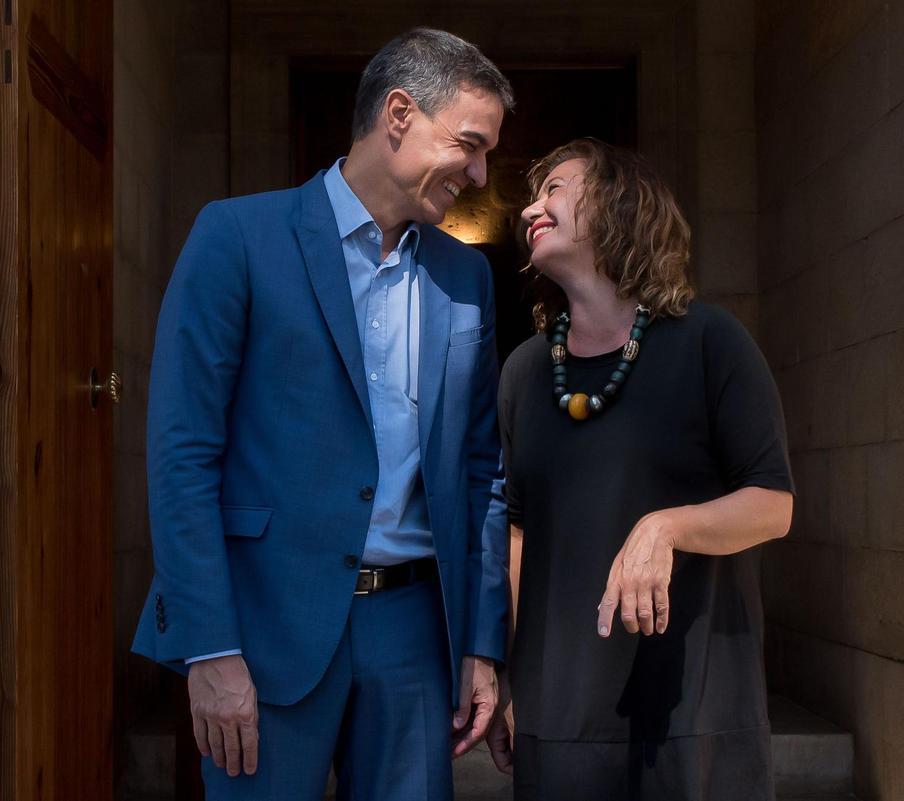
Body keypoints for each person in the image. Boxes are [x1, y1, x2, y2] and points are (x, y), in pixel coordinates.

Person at [131, 29, 513, 801]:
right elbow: (182, 454)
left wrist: (481, 644)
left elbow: (483, 474)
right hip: (263, 628)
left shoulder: (468, 276)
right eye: (470, 145)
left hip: (414, 634)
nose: (479, 174)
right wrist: (209, 646)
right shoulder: (236, 236)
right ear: (398, 114)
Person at [486, 139, 795, 801]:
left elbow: (774, 504)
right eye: (533, 196)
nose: (532, 208)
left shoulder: (712, 342)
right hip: (560, 714)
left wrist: (667, 526)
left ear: (619, 207)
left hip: (693, 712)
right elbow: (515, 534)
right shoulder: (525, 371)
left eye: (557, 188)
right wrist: (512, 676)